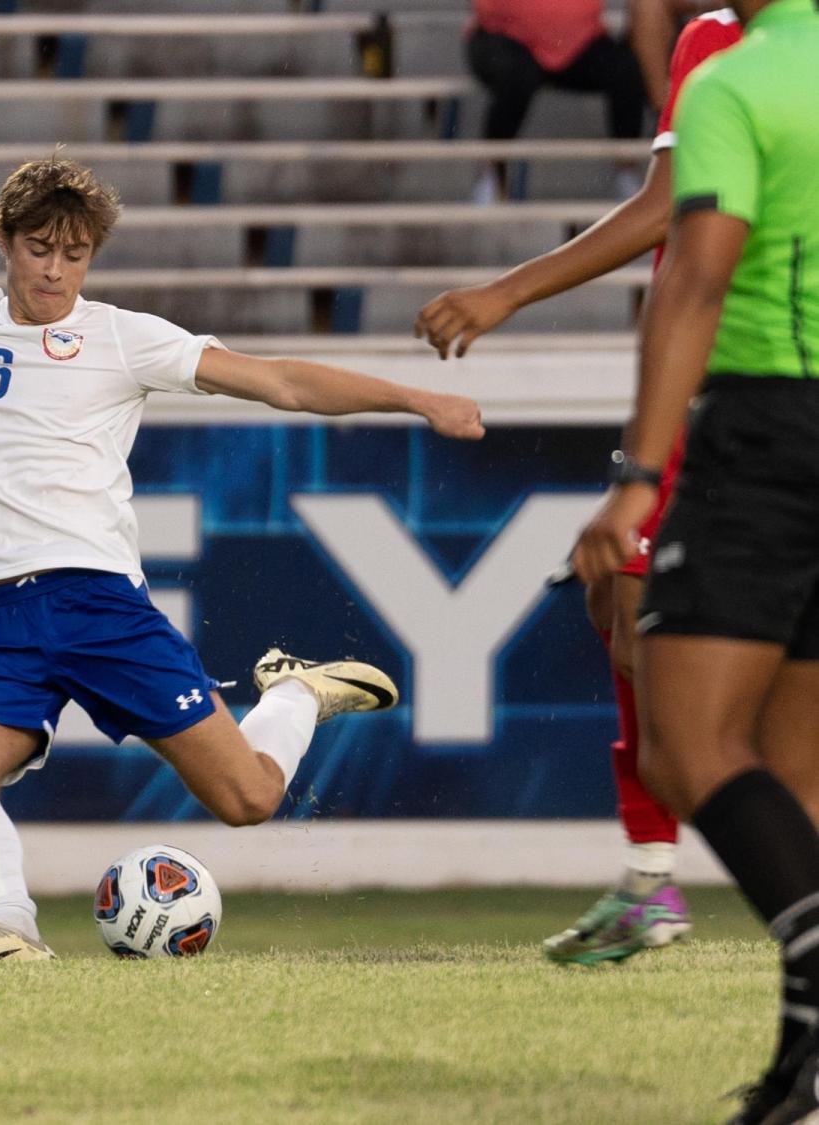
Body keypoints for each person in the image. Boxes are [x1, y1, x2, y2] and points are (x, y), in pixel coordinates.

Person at [0, 158, 485, 964]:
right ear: (3, 241)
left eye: (75, 255)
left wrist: (418, 399)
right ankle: (12, 935)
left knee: (248, 798)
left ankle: (297, 694)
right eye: (40, 248)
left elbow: (279, 381)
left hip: (98, 603)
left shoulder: (118, 336)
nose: (56, 269)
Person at [417, 8, 742, 967]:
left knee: (660, 615)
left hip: (754, 382)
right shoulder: (711, 39)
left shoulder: (740, 53)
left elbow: (668, 205)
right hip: (706, 380)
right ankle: (652, 876)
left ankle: (691, 856)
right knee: (618, 593)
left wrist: (506, 292)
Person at [569, 1, 819, 1118]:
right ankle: (804, 1072)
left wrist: (636, 474)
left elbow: (696, 278)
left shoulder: (733, 79)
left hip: (770, 431)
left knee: (684, 743)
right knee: (795, 772)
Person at [467, 0, 647, 203]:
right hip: (506, 36)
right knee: (517, 76)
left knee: (626, 70)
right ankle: (492, 168)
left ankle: (627, 168)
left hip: (576, 40)